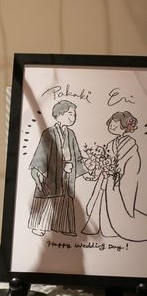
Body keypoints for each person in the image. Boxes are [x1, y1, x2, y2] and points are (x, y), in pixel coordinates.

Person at [82, 111, 147, 241]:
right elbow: (105, 159)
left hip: (117, 179)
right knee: (101, 201)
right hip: (107, 178)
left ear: (124, 126)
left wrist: (116, 169)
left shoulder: (130, 143)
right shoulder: (111, 143)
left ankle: (111, 229)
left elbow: (131, 162)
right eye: (111, 124)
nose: (112, 126)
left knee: (114, 204)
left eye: (115, 125)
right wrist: (96, 169)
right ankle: (102, 227)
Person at [28, 100, 87, 237]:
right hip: (52, 173)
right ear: (60, 114)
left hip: (67, 173)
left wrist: (84, 171)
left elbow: (77, 154)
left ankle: (64, 227)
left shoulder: (71, 134)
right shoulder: (48, 132)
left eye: (74, 114)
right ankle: (39, 226)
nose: (73, 117)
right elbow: (41, 154)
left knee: (65, 198)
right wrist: (38, 170)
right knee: (49, 197)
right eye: (70, 113)